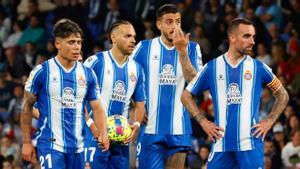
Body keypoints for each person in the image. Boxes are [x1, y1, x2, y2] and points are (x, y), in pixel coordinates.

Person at [181, 18, 289, 169]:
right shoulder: (212, 67)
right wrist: (203, 121)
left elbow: (283, 94)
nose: (252, 41)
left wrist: (270, 121)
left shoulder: (259, 67)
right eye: (246, 36)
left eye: (253, 36)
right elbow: (186, 95)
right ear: (232, 37)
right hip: (221, 146)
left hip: (250, 146)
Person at [20, 18, 109, 169]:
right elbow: (26, 106)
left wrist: (103, 133)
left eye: (79, 42)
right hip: (50, 144)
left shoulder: (88, 74)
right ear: (58, 44)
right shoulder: (42, 72)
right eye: (71, 42)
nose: (77, 47)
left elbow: (97, 107)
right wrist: (27, 142)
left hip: (78, 147)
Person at [131, 4, 203, 169]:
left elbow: (195, 84)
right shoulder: (144, 48)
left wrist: (182, 53)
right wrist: (135, 105)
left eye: (177, 22)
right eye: (169, 22)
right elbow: (128, 77)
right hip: (149, 127)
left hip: (179, 128)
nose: (175, 27)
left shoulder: (192, 48)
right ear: (159, 25)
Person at [83, 20, 146, 169]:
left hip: (121, 140)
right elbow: (77, 100)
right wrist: (93, 127)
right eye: (128, 36)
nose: (133, 40)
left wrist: (136, 125)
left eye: (134, 37)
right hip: (94, 137)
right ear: (113, 38)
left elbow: (140, 104)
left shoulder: (137, 69)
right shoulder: (95, 63)